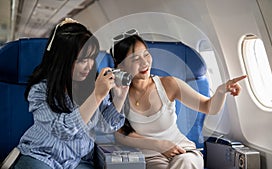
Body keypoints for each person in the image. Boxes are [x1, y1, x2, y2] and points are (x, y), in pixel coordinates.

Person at [110, 29, 247, 169]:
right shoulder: (118, 93)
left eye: (146, 54)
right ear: (121, 65)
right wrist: (159, 145)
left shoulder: (168, 84)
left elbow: (209, 107)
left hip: (183, 151)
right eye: (135, 59)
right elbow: (120, 136)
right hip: (150, 157)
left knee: (185, 163)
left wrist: (221, 91)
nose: (144, 62)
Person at [12, 18, 128, 169]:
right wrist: (96, 96)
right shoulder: (40, 90)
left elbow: (104, 128)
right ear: (62, 60)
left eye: (92, 58)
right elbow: (61, 130)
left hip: (77, 160)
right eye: (81, 60)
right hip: (42, 155)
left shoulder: (93, 85)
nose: (89, 66)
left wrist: (119, 99)